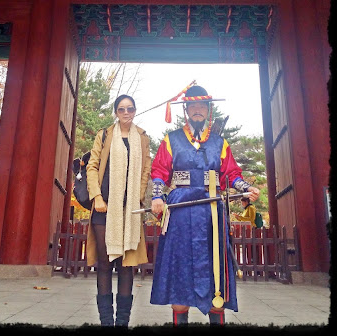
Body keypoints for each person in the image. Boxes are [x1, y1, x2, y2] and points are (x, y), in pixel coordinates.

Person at [150, 84, 260, 326]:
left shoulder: (220, 143)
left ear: (208, 110)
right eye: (193, 106)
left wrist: (246, 188)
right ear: (186, 109)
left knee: (214, 267)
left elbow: (231, 174)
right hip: (179, 209)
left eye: (202, 106)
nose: (197, 110)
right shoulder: (172, 140)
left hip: (212, 211)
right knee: (180, 265)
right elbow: (159, 171)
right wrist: (157, 197)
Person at [86, 94, 151, 327]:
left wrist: (140, 198)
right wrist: (97, 196)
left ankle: (122, 322)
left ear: (135, 111)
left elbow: (145, 170)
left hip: (130, 211)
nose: (126, 113)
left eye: (130, 109)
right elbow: (92, 166)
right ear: (115, 111)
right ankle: (106, 322)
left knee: (127, 266)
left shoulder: (142, 137)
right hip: (105, 208)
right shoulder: (104, 135)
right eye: (121, 109)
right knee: (104, 264)